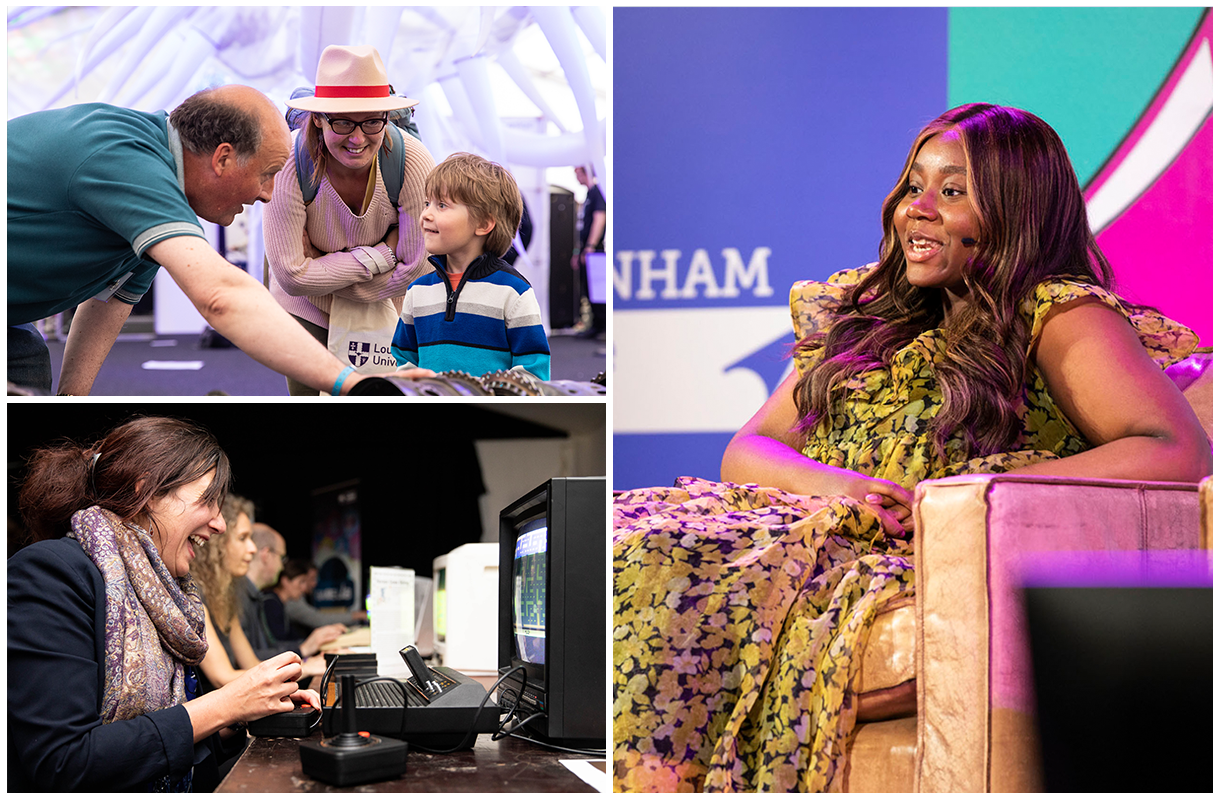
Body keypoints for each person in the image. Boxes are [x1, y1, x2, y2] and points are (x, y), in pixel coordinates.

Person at [611, 103, 1211, 792]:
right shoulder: (864, 317)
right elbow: (748, 450)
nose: (915, 209)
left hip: (917, 550)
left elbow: (1174, 449)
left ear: (1017, 209)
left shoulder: (1057, 312)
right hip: (817, 524)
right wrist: (837, 485)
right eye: (912, 186)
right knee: (632, 537)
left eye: (951, 191)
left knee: (665, 562)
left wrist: (971, 498)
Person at [8, 416, 320, 791]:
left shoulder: (164, 592)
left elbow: (171, 735)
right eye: (209, 502)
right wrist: (226, 705)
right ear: (147, 491)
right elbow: (65, 762)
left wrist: (247, 712)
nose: (219, 525)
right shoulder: (49, 573)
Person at [8, 85, 372, 396]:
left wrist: (72, 400)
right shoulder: (124, 160)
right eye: (267, 173)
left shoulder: (155, 172)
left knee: (26, 361)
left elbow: (110, 301)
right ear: (224, 158)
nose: (268, 194)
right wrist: (354, 384)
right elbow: (221, 296)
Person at [264, 45, 437, 395]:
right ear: (317, 118)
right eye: (342, 122)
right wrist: (385, 255)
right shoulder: (289, 164)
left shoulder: (410, 159)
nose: (358, 138)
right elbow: (290, 276)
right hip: (307, 310)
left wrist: (322, 269)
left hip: (388, 307)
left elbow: (419, 265)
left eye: (373, 121)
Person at [391, 152, 551, 379]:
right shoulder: (417, 292)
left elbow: (534, 372)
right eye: (427, 203)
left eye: (442, 205)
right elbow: (404, 360)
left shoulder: (514, 292)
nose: (426, 214)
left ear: (484, 223)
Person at [191, 497, 329, 692]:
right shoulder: (194, 595)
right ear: (217, 543)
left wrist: (304, 666)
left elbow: (251, 663)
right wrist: (304, 667)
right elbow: (223, 678)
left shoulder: (224, 597)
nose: (252, 548)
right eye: (242, 538)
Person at [571, 165, 606, 338]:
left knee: (598, 289)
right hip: (587, 249)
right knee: (589, 288)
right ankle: (595, 325)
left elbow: (599, 219)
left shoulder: (597, 193)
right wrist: (579, 251)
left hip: (595, 250)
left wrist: (591, 247)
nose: (576, 178)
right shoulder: (588, 196)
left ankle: (602, 326)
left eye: (577, 173)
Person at [262, 558, 315, 641]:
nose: (304, 588)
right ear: (285, 581)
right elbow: (278, 642)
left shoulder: (278, 603)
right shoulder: (271, 604)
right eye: (301, 582)